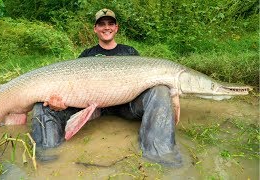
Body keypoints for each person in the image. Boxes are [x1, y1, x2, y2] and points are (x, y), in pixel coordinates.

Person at [31, 8, 182, 167]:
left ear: (116, 28)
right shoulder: (87, 54)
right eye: (101, 24)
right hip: (94, 110)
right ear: (95, 29)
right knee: (42, 106)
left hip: (126, 106)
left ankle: (160, 153)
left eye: (111, 23)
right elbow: (73, 85)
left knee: (160, 90)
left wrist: (174, 95)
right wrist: (58, 100)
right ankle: (47, 157)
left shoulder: (129, 52)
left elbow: (148, 81)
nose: (106, 27)